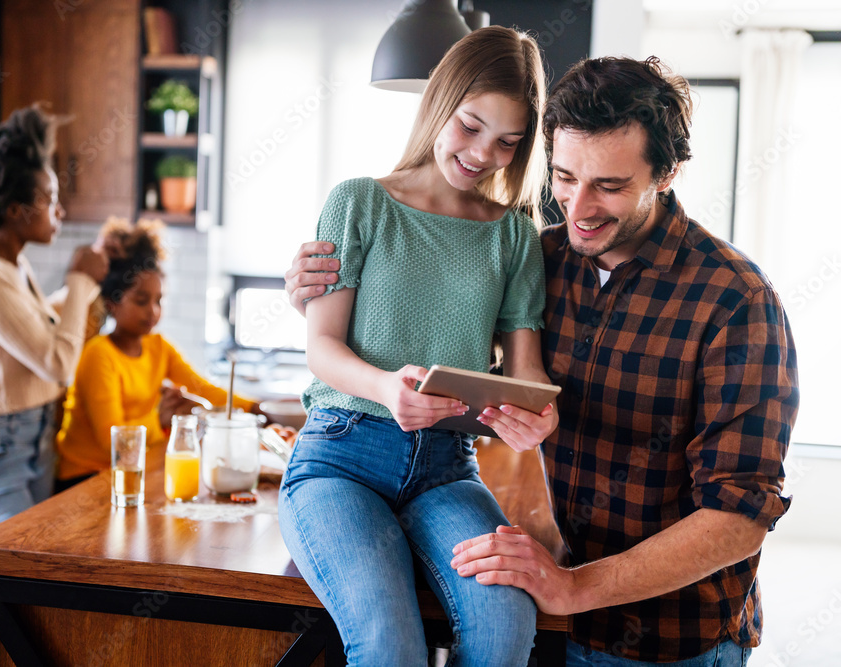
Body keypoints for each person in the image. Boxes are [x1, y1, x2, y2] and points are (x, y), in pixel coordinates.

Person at [286, 56, 799, 666]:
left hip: (670, 639)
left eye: (609, 186)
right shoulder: (546, 253)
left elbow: (739, 515)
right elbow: (448, 332)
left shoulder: (736, 300)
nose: (577, 207)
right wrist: (312, 293)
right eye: (563, 176)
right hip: (560, 612)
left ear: (667, 174)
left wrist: (574, 586)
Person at [279, 26, 557, 666]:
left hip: (447, 470)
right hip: (339, 460)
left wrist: (537, 418)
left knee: (506, 624)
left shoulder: (513, 238)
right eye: (470, 125)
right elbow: (320, 347)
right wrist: (384, 387)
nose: (484, 153)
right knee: (388, 642)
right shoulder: (359, 204)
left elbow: (527, 374)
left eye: (508, 142)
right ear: (439, 102)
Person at [0, 105, 109, 536]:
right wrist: (80, 280)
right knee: (20, 577)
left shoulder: (13, 266)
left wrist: (84, 290)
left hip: (32, 441)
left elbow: (39, 326)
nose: (59, 211)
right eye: (49, 200)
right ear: (15, 210)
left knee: (35, 579)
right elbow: (57, 363)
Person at [54, 218, 256, 490]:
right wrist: (159, 418)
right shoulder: (98, 355)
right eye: (141, 300)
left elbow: (201, 387)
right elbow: (110, 444)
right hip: (85, 478)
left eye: (158, 300)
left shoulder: (158, 346)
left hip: (132, 470)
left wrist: (255, 408)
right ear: (113, 303)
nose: (153, 311)